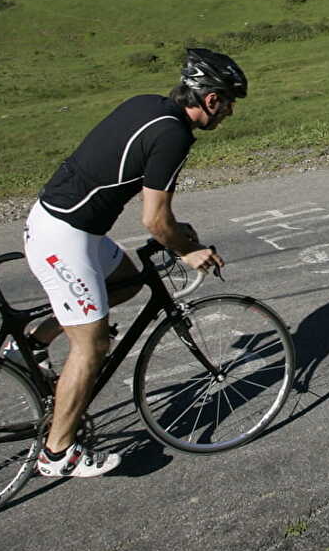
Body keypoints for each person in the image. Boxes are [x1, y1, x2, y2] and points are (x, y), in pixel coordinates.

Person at [16, 47, 246, 477]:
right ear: (211, 99)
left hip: (60, 223)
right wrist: (186, 250)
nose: (230, 112)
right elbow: (154, 219)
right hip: (65, 238)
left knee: (129, 280)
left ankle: (32, 341)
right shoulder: (174, 136)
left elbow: (160, 216)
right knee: (92, 346)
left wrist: (176, 232)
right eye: (230, 102)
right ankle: (57, 453)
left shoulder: (148, 104)